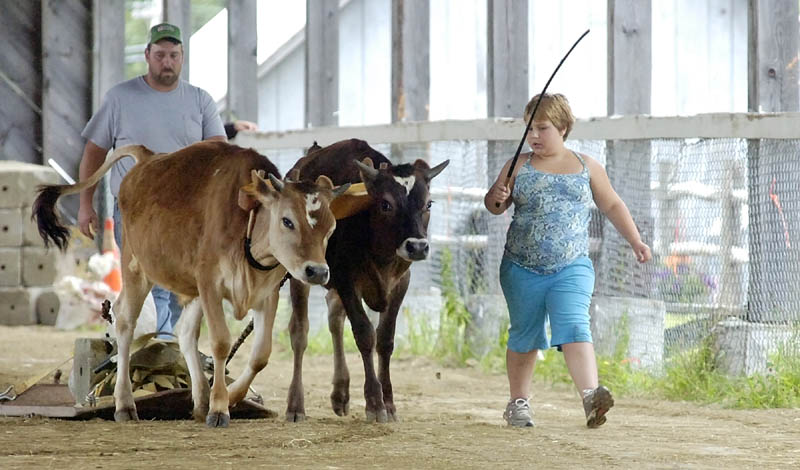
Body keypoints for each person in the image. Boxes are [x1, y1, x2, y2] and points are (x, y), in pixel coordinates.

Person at [483, 93, 651, 428]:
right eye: (529, 129)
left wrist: (636, 240)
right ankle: (518, 402)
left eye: (542, 128)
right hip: (521, 267)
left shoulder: (587, 166)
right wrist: (498, 195)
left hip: (571, 266)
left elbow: (613, 206)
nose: (533, 136)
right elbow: (494, 205)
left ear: (562, 127)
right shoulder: (518, 165)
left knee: (575, 325)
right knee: (525, 334)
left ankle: (591, 398)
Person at [78, 23, 227, 339]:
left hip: (190, 210)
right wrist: (85, 204)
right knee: (154, 276)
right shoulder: (120, 98)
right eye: (160, 55)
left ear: (182, 57)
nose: (167, 62)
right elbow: (93, 152)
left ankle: (170, 347)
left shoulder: (200, 100)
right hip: (136, 209)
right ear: (147, 55)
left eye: (173, 55)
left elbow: (220, 152)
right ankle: (164, 344)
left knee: (186, 279)